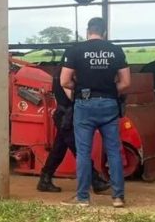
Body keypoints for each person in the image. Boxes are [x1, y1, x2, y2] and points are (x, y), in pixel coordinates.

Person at [59, 17, 131, 208]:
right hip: (109, 104)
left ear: (87, 31)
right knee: (114, 151)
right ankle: (118, 197)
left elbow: (64, 81)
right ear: (104, 32)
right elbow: (126, 83)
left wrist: (81, 87)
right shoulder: (115, 50)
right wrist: (109, 90)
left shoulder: (75, 51)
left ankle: (82, 198)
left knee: (83, 152)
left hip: (84, 104)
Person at [36, 71, 110, 194]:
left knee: (59, 150)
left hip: (64, 115)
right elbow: (73, 97)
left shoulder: (60, 73)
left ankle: (45, 179)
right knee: (78, 149)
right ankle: (95, 180)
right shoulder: (66, 76)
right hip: (67, 116)